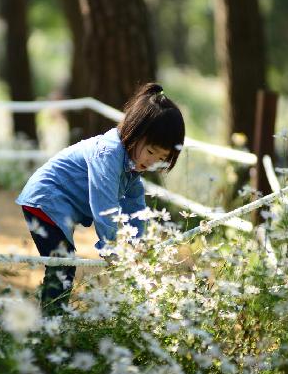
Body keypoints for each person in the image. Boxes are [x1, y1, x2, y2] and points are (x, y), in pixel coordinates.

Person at [16, 82, 185, 315]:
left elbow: (136, 208)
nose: (153, 161)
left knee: (63, 264)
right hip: (46, 198)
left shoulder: (132, 168)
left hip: (56, 204)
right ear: (135, 133)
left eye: (162, 157)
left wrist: (138, 247)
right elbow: (104, 206)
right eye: (151, 151)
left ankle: (52, 323)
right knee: (62, 264)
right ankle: (50, 325)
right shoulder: (109, 154)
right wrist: (112, 248)